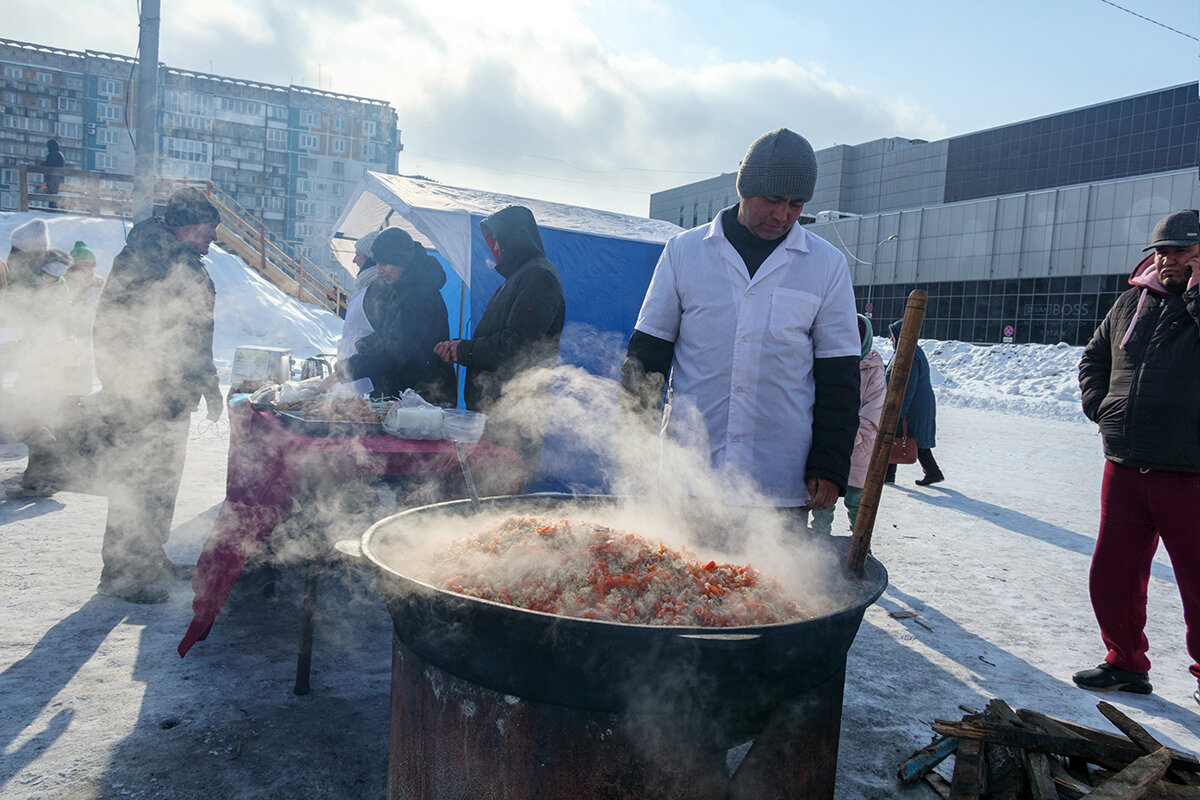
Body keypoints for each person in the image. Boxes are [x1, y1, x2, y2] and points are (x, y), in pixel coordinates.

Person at [620, 128, 861, 529]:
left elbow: (839, 378)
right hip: (691, 477)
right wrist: (633, 447)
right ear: (745, 188)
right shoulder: (684, 253)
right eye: (772, 200)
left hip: (780, 484)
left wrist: (830, 462)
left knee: (767, 589)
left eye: (796, 204)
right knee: (680, 587)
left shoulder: (826, 266)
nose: (783, 215)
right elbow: (646, 358)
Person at [1073, 209, 1200, 702]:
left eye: (1183, 252)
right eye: (1163, 251)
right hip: (1125, 461)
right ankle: (1125, 662)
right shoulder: (1133, 301)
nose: (1169, 261)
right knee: (1114, 573)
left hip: (1188, 469)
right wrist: (1102, 406)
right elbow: (1094, 357)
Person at [91, 187, 224, 604]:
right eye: (210, 229)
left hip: (170, 393)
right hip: (143, 393)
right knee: (139, 480)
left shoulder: (180, 258)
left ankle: (148, 555)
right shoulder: (148, 259)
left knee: (162, 480)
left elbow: (192, 333)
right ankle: (123, 573)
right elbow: (114, 327)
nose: (214, 238)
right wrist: (127, 386)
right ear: (187, 226)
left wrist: (207, 383)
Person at [434, 205, 565, 483]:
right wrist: (462, 346)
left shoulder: (538, 277)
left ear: (515, 239)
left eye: (498, 240)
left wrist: (463, 350)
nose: (494, 248)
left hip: (513, 419)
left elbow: (516, 347)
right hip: (494, 416)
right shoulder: (518, 278)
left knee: (500, 504)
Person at [331, 227, 456, 404]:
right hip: (409, 392)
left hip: (427, 395)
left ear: (401, 261)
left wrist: (347, 369)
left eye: (384, 264)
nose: (379, 271)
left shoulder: (420, 296)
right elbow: (391, 332)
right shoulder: (401, 289)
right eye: (377, 264)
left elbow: (397, 348)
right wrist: (364, 344)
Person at [4, 247, 74, 499]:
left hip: (46, 363)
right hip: (33, 362)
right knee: (29, 419)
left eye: (57, 275)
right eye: (48, 274)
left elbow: (62, 325)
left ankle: (47, 475)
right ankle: (38, 480)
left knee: (30, 421)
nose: (50, 280)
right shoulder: (28, 286)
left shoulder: (57, 289)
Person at [811, 314, 886, 534]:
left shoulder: (873, 371)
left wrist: (839, 440)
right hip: (828, 452)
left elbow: (872, 418)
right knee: (822, 509)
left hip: (858, 453)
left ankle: (861, 556)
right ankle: (817, 552)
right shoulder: (829, 364)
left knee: (858, 510)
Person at [883, 318, 943, 486]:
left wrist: (899, 411)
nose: (890, 339)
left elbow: (907, 386)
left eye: (893, 336)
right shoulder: (909, 351)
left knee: (907, 436)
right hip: (917, 403)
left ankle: (931, 472)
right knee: (904, 436)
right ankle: (931, 472)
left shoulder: (908, 355)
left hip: (913, 405)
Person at [335, 230, 381, 395]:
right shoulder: (363, 288)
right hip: (351, 375)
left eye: (358, 255)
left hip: (366, 378)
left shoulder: (378, 290)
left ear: (371, 259)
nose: (354, 260)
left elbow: (382, 339)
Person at [63, 240, 105, 399]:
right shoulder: (65, 285)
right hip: (70, 340)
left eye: (90, 265)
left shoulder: (99, 285)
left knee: (85, 379)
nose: (88, 269)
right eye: (83, 265)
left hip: (90, 339)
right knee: (69, 382)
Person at [42, 139, 65, 209]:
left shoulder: (54, 154)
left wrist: (43, 165)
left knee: (52, 193)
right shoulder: (59, 154)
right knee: (53, 193)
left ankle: (53, 207)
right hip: (57, 177)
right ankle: (53, 206)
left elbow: (50, 165)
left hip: (53, 177)